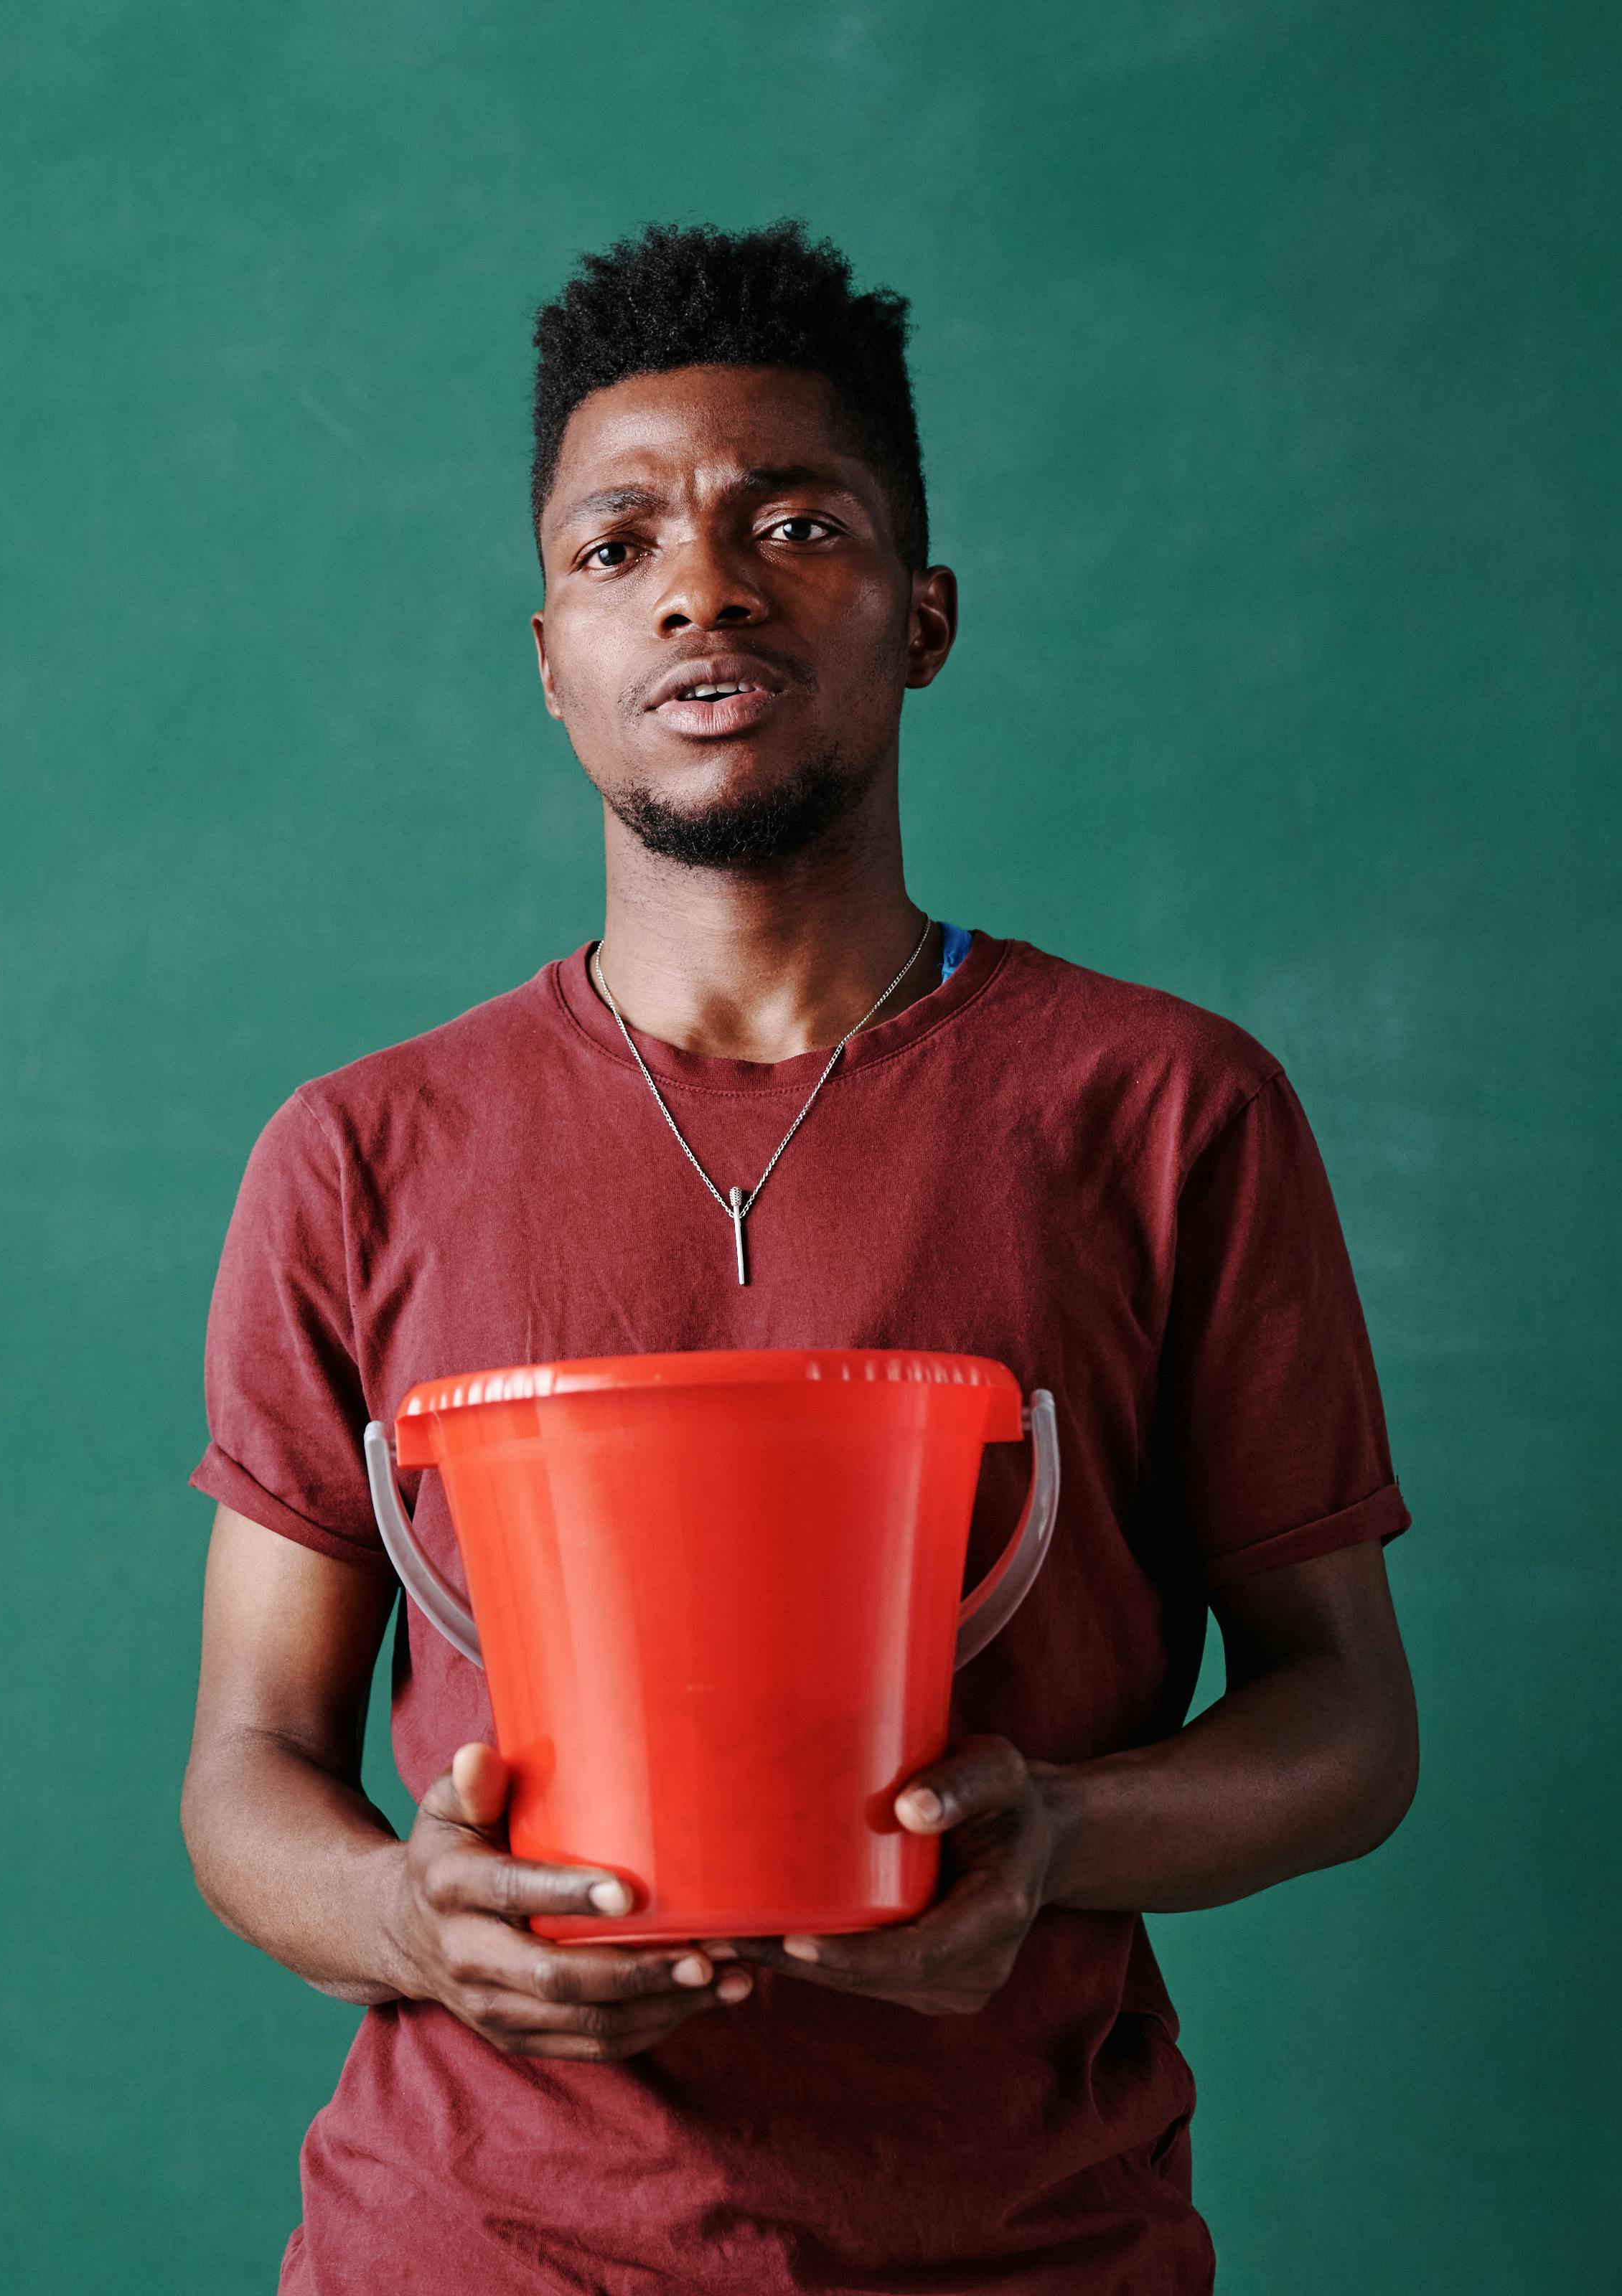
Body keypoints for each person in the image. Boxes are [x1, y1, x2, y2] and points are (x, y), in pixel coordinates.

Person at [178, 221, 1418, 2294]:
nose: (704, 584)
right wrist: (416, 1923)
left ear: (924, 618)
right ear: (551, 653)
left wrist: (1059, 1838)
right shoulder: (357, 1155)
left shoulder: (1166, 1111)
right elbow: (244, 1769)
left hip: (1030, 2251)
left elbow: (1350, 1723)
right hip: (465, 2251)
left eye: (797, 523)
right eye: (618, 544)